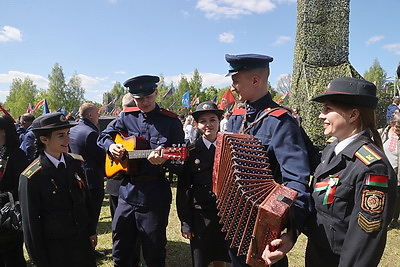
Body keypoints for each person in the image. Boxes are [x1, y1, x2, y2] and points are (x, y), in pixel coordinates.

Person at [224, 53, 313, 267]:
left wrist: (291, 231)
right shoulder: (237, 117)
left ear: (255, 80)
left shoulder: (281, 122)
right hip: (235, 221)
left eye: (236, 80)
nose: (233, 87)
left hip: (263, 228)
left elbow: (296, 181)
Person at [303, 77, 397, 266]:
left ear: (353, 115)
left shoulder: (372, 167)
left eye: (328, 109)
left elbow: (364, 239)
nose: (321, 116)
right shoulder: (332, 149)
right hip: (318, 256)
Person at [97, 75, 185, 266]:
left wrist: (164, 162)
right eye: (139, 99)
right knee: (121, 249)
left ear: (156, 93)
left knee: (154, 252)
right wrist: (111, 147)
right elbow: (103, 136)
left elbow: (180, 164)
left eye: (148, 97)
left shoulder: (171, 122)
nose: (144, 102)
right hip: (127, 192)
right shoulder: (127, 117)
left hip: (154, 196)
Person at [19, 112, 97, 267]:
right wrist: (39, 259)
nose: (68, 139)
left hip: (81, 243)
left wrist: (90, 230)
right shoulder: (32, 176)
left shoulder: (75, 162)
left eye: (68, 134)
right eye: (61, 135)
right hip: (55, 249)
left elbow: (85, 200)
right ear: (44, 139)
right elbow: (30, 224)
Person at [177, 101, 230, 267]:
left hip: (226, 214)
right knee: (201, 259)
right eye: (203, 121)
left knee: (222, 255)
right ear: (196, 124)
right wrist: (186, 223)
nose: (208, 125)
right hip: (201, 215)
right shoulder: (191, 151)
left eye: (213, 120)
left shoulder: (230, 148)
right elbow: (184, 190)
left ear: (220, 121)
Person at [69, 103, 106, 258]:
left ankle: (83, 248)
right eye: (97, 114)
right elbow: (101, 157)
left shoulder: (74, 129)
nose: (98, 116)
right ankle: (88, 250)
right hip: (92, 180)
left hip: (78, 178)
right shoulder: (91, 133)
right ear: (90, 115)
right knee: (91, 217)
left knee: (82, 216)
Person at [0, 115, 29, 266]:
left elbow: (22, 186)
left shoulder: (17, 155)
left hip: (9, 215)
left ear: (3, 131)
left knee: (12, 257)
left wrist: (4, 196)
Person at [379, 112, 400, 228]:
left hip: (397, 171)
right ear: (391, 124)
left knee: (396, 197)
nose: (399, 129)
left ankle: (393, 219)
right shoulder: (382, 133)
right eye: (397, 126)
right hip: (383, 170)